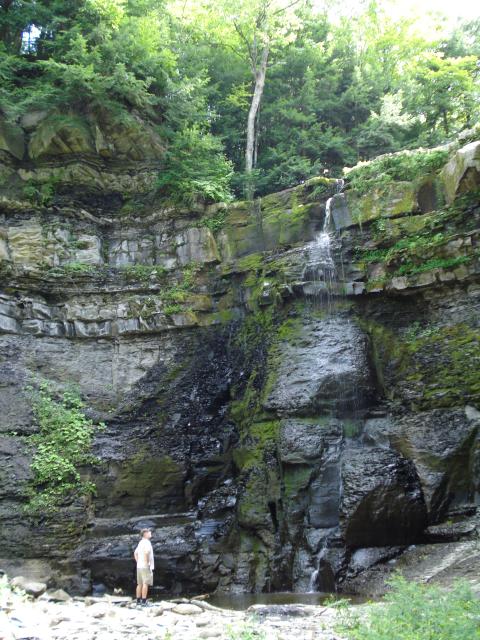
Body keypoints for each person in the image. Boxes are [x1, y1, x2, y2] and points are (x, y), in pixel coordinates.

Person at [134, 528, 154, 606]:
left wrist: (138, 562)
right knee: (145, 583)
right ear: (145, 534)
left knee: (139, 584)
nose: (150, 533)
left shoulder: (141, 542)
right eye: (149, 532)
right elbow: (146, 552)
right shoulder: (147, 542)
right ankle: (144, 602)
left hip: (139, 566)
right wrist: (147, 563)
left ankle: (138, 601)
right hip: (145, 566)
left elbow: (135, 553)